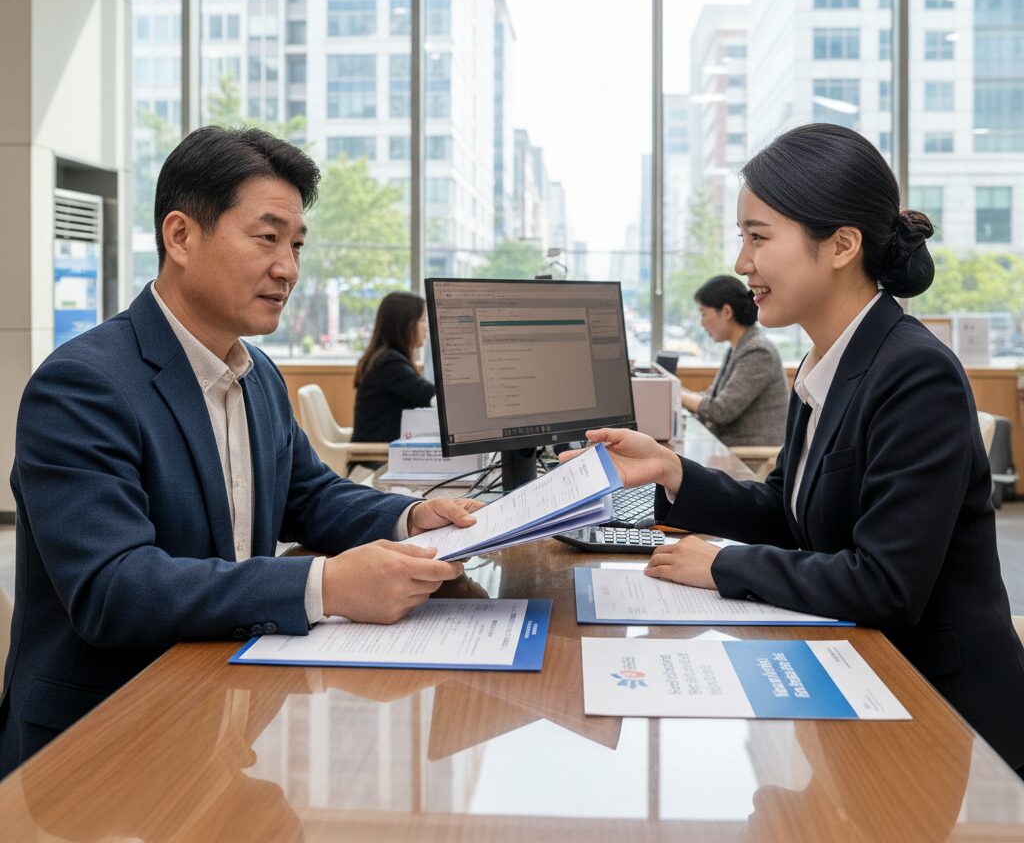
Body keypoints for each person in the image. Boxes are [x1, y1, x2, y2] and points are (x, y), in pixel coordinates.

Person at [0, 126, 481, 776]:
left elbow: (307, 496)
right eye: (267, 237)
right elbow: (114, 588)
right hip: (100, 744)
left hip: (219, 711)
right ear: (181, 237)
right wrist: (327, 584)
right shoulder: (83, 385)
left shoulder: (255, 373)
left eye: (297, 245)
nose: (288, 267)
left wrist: (410, 518)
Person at [564, 123, 1024, 776]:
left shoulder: (915, 373)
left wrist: (723, 566)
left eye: (758, 236)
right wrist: (670, 470)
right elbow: (787, 510)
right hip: (862, 672)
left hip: (942, 712)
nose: (743, 262)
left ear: (840, 245)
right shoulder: (827, 362)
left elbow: (886, 585)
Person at [681, 274, 788, 446]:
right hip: (731, 450)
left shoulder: (758, 352)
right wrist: (680, 394)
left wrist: (679, 395)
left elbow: (720, 410)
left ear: (726, 312)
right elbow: (712, 399)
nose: (702, 323)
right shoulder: (739, 346)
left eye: (703, 314)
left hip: (751, 458)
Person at [352, 292, 435, 443]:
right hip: (375, 461)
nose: (427, 327)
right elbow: (430, 395)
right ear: (405, 324)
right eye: (422, 320)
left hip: (385, 455)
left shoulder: (384, 358)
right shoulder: (390, 364)